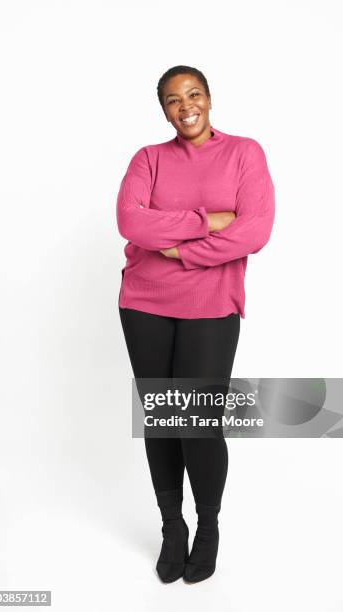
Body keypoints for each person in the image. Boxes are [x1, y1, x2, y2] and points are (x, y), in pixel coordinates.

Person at [116, 65, 275, 584]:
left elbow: (255, 230)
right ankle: (172, 528)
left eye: (194, 94)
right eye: (172, 99)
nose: (185, 105)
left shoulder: (244, 153)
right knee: (162, 419)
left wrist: (178, 248)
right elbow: (130, 221)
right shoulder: (149, 159)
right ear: (163, 108)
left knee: (198, 422)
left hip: (212, 302)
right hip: (143, 300)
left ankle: (207, 527)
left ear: (208, 98)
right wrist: (210, 219)